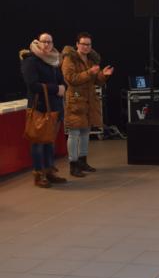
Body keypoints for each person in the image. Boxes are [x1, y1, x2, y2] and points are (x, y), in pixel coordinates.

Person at [61, 33, 113, 177]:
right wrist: (90, 72)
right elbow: (71, 79)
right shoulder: (69, 58)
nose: (86, 47)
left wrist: (103, 75)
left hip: (89, 100)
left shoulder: (91, 59)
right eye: (83, 44)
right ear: (77, 44)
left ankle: (82, 161)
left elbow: (96, 81)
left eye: (88, 44)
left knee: (85, 132)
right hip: (75, 100)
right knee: (74, 133)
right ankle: (73, 165)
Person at [19, 32, 67, 188]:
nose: (47, 44)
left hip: (54, 108)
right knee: (38, 143)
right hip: (39, 107)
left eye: (49, 42)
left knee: (49, 142)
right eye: (44, 41)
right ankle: (39, 175)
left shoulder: (54, 60)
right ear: (38, 42)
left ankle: (49, 172)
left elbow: (62, 82)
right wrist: (57, 89)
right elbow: (32, 85)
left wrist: (63, 87)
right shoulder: (30, 61)